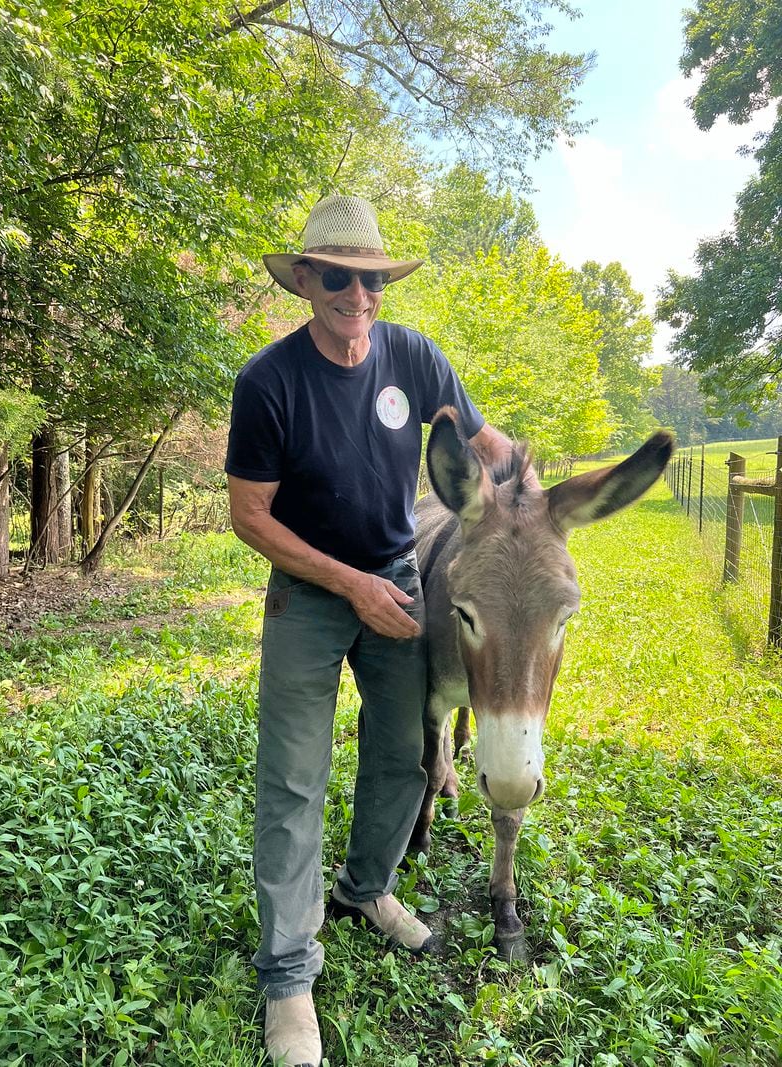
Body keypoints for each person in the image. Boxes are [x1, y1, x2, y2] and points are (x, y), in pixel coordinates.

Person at [225, 195, 512, 1067]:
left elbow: (480, 437)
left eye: (373, 278)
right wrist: (346, 583)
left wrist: (526, 485)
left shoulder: (413, 357)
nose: (359, 294)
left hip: (396, 585)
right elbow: (248, 516)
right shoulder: (268, 381)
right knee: (292, 777)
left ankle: (366, 889)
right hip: (312, 595)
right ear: (307, 279)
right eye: (340, 278)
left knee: (403, 755)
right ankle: (286, 975)